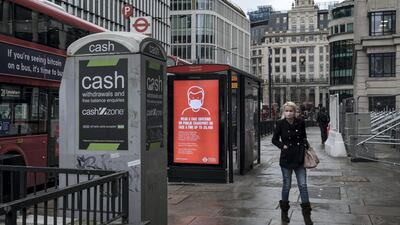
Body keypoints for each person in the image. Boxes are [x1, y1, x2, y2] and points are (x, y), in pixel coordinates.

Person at [272, 101, 313, 225]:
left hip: (299, 157)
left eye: (291, 111)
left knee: (303, 185)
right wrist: (282, 146)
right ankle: (284, 213)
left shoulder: (300, 122)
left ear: (295, 112)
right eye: (286, 110)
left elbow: (304, 137)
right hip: (286, 158)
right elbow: (274, 139)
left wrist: (306, 146)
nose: (288, 113)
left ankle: (307, 216)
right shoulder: (280, 123)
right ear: (284, 112)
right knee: (287, 186)